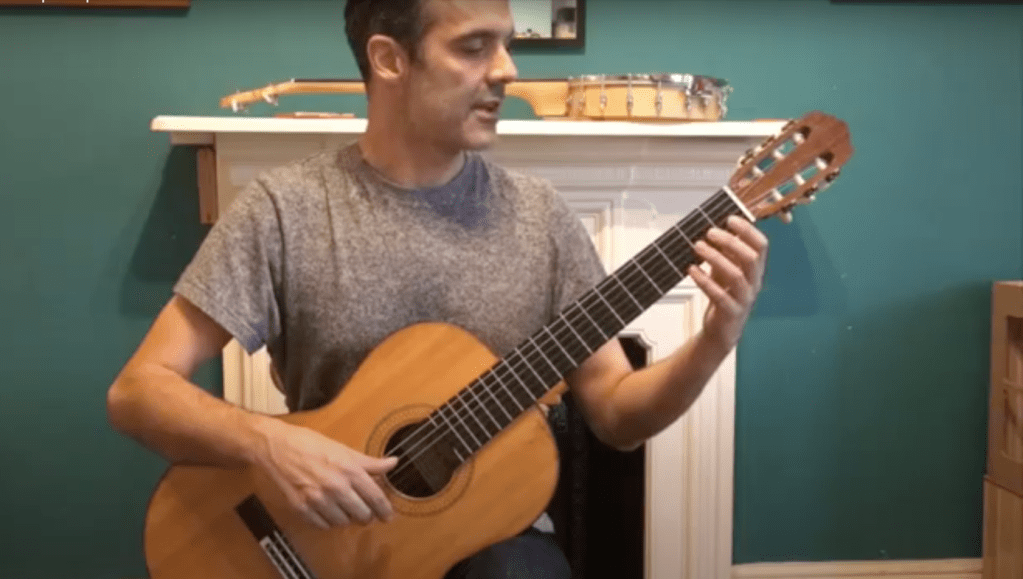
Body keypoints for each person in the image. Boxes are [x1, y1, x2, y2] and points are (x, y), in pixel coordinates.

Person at [106, 0, 769, 577]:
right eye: (474, 47)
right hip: (318, 541)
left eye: (506, 44)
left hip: (493, 541)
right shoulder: (284, 210)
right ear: (389, 59)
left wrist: (714, 339)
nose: (507, 70)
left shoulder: (540, 217)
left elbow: (618, 417)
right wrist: (268, 443)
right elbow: (137, 392)